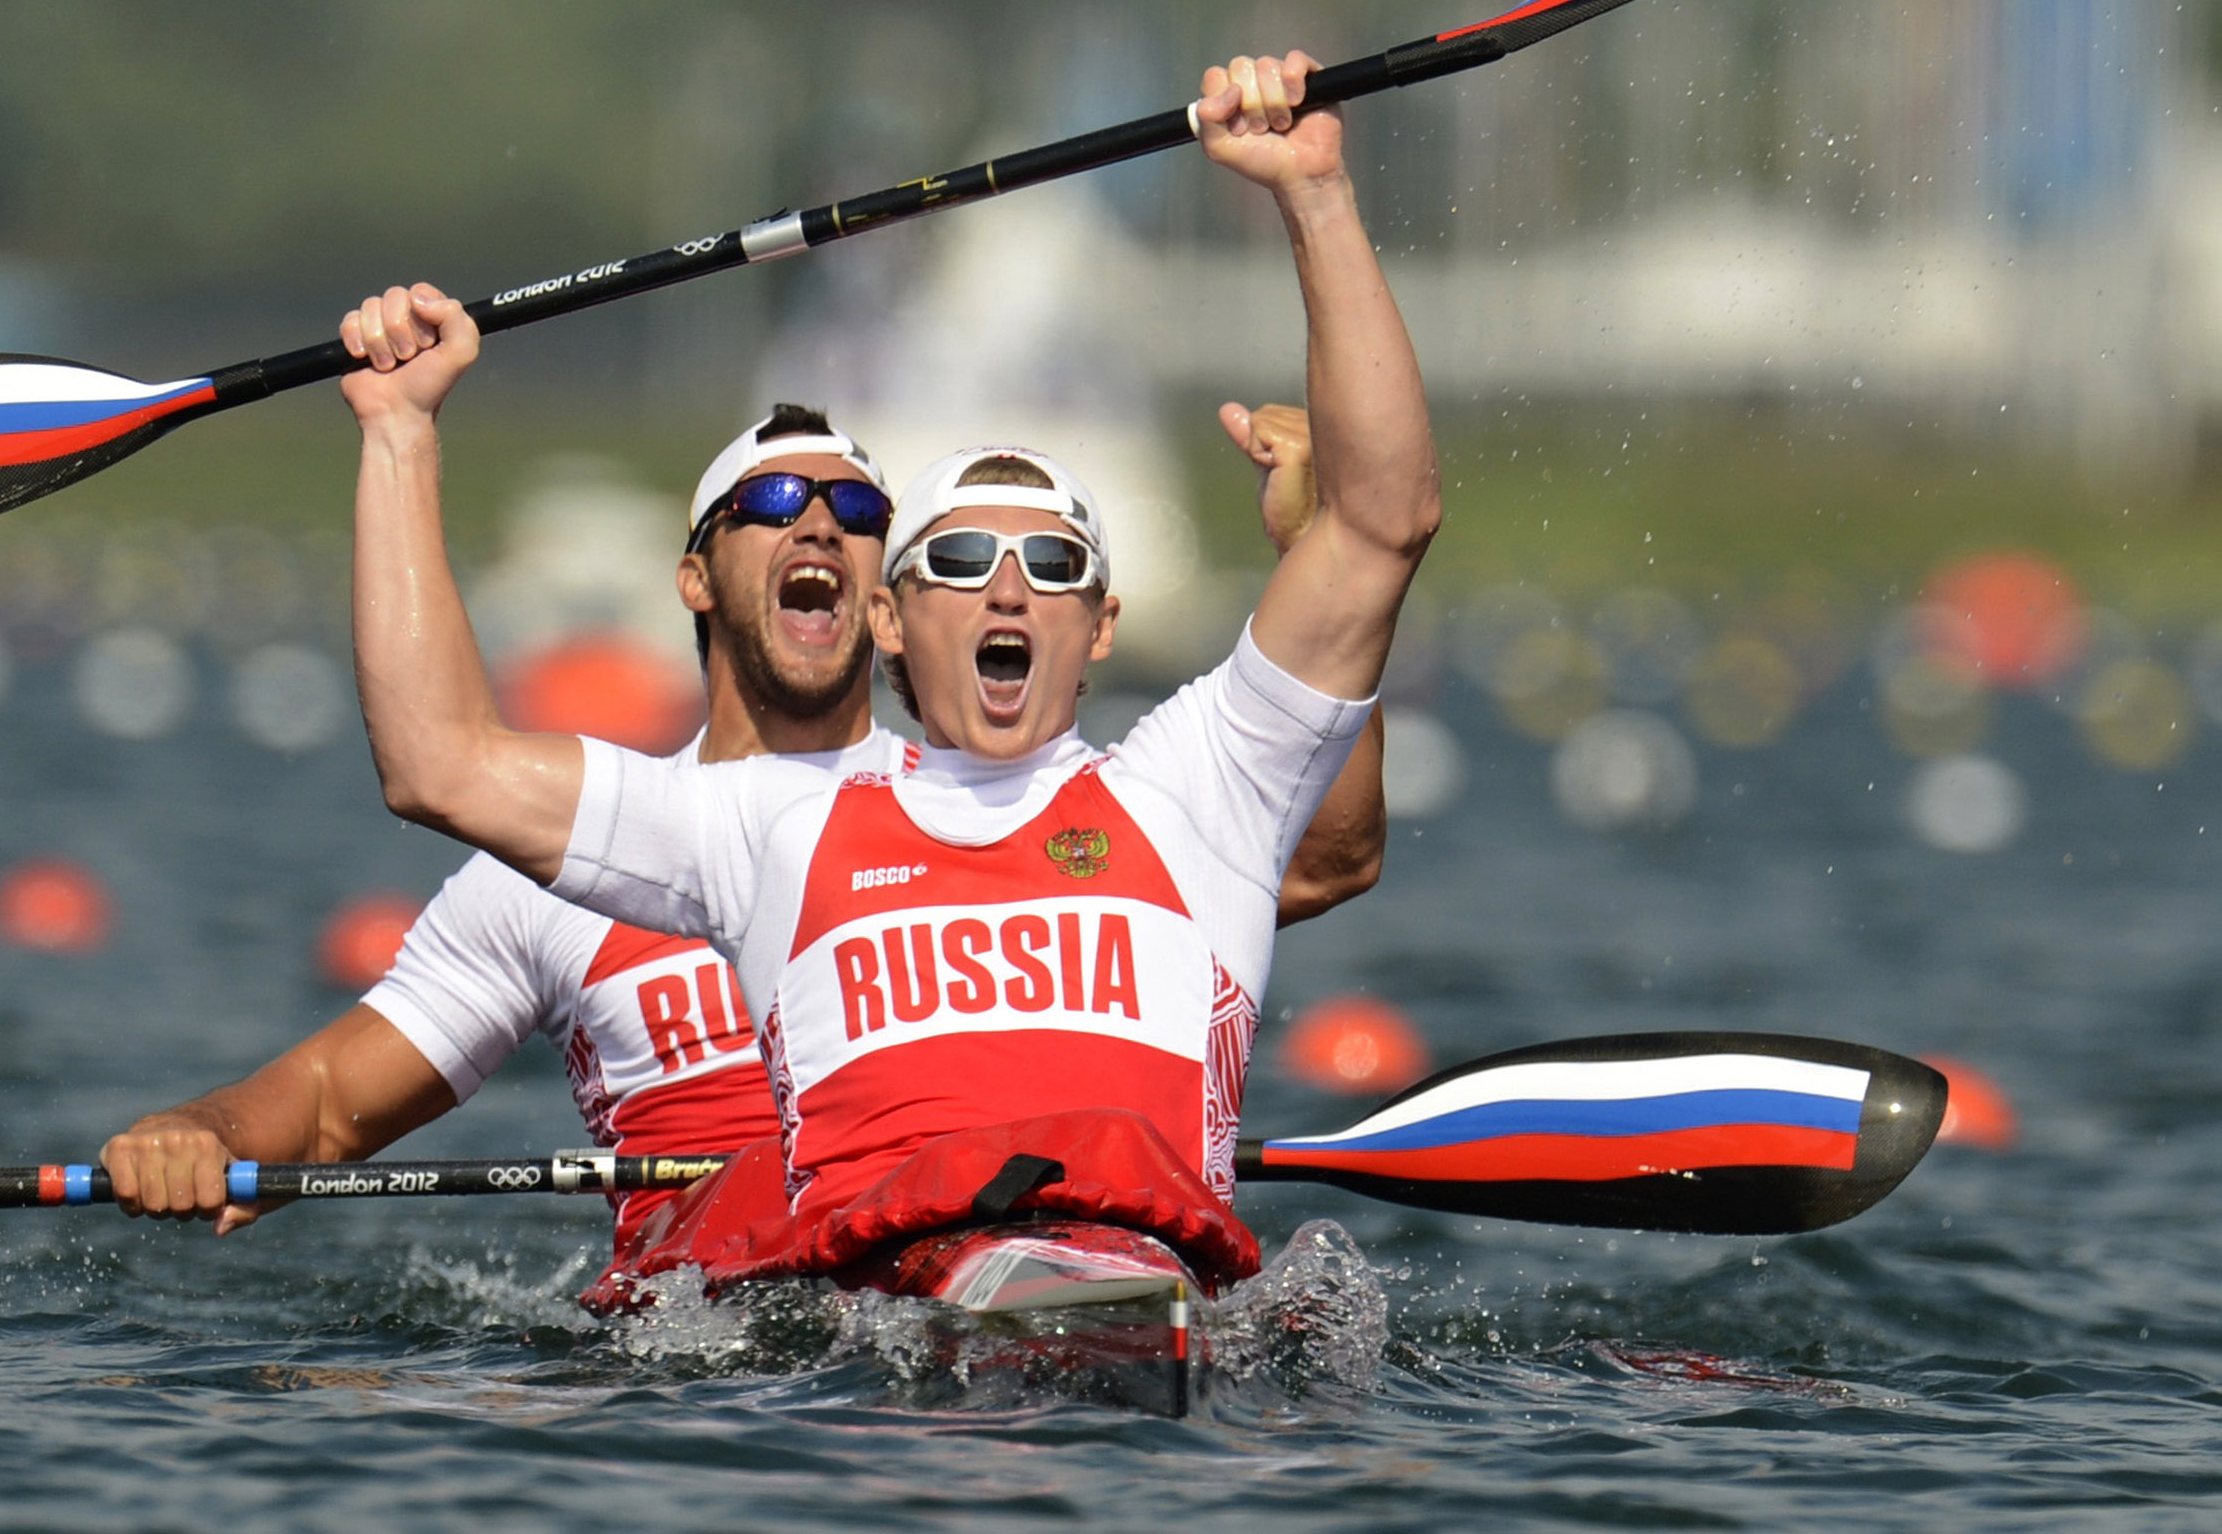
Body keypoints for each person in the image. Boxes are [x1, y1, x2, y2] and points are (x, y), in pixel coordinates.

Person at [323, 49, 1438, 1293]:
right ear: (892, 621)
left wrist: (1315, 195)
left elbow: (1382, 521)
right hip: (891, 1330)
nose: (1009, 585)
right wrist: (400, 434)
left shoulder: (1195, 788)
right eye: (962, 556)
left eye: (1050, 563)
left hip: (1148, 1286)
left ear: (1103, 623)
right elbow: (438, 765)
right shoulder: (775, 826)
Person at [100, 410, 1385, 1263]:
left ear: (890, 595)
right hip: (729, 1349)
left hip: (1015, 1226)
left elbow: (1320, 851)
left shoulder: (1002, 796)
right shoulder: (562, 875)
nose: (819, 521)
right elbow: (322, 1112)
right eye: (774, 499)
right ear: (697, 577)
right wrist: (203, 1130)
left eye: (856, 503)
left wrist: (1317, 559)